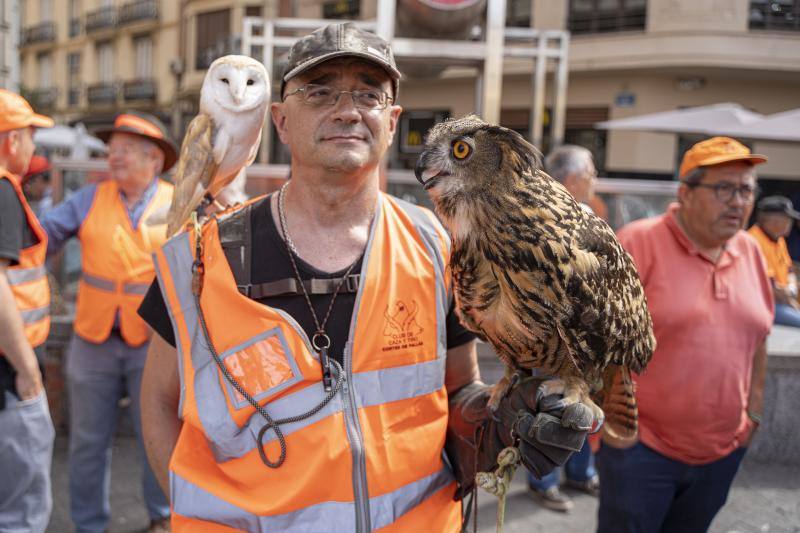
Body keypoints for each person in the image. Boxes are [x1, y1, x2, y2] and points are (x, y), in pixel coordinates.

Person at [137, 22, 591, 531]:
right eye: (320, 92)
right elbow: (158, 400)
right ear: (281, 121)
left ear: (392, 120)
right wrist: (197, 507)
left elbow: (461, 389)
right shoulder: (202, 256)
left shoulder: (442, 247)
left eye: (369, 95)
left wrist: (505, 419)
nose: (347, 109)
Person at [597, 136, 773, 533]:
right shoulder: (637, 242)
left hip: (722, 452)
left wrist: (753, 414)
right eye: (724, 188)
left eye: (746, 190)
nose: (738, 201)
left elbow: (759, 335)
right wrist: (616, 427)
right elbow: (598, 341)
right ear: (685, 193)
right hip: (643, 451)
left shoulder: (751, 251)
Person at [39, 112, 176, 533]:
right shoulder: (89, 198)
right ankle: (88, 525)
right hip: (92, 339)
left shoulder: (176, 202)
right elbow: (42, 237)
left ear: (154, 160)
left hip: (154, 345)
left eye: (126, 151)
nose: (114, 158)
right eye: (112, 150)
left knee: (160, 437)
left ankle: (162, 518)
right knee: (86, 443)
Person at [525, 144, 601, 512]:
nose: (595, 180)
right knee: (552, 407)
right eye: (590, 173)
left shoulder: (584, 213)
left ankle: (581, 473)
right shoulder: (540, 215)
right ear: (572, 179)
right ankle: (544, 479)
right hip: (553, 334)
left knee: (585, 402)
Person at [0, 89, 55, 532]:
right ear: (11, 141)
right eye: (30, 136)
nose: (34, 148)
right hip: (8, 372)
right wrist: (27, 371)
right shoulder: (2, 190)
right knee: (19, 508)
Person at [748, 195, 800, 327]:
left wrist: (792, 287)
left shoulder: (779, 239)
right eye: (787, 219)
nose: (790, 223)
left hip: (783, 301)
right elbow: (770, 288)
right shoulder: (752, 241)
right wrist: (793, 303)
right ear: (772, 221)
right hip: (763, 304)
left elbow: (789, 269)